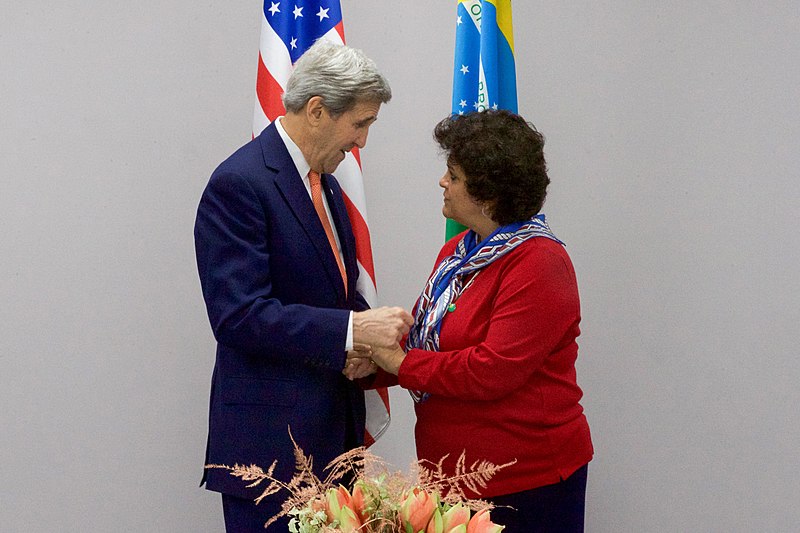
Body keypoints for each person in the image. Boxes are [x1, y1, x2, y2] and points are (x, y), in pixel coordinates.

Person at [194, 41, 413, 532]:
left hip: (334, 441)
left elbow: (334, 289)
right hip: (271, 453)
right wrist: (352, 330)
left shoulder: (327, 183)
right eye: (361, 124)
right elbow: (238, 315)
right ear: (317, 110)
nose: (361, 143)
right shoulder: (239, 183)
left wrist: (367, 343)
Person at [368, 110, 594, 532]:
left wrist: (398, 363)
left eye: (452, 174)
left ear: (487, 193)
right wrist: (372, 363)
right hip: (453, 478)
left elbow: (493, 370)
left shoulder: (539, 262)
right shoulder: (458, 252)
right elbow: (426, 347)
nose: (442, 182)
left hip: (525, 481)